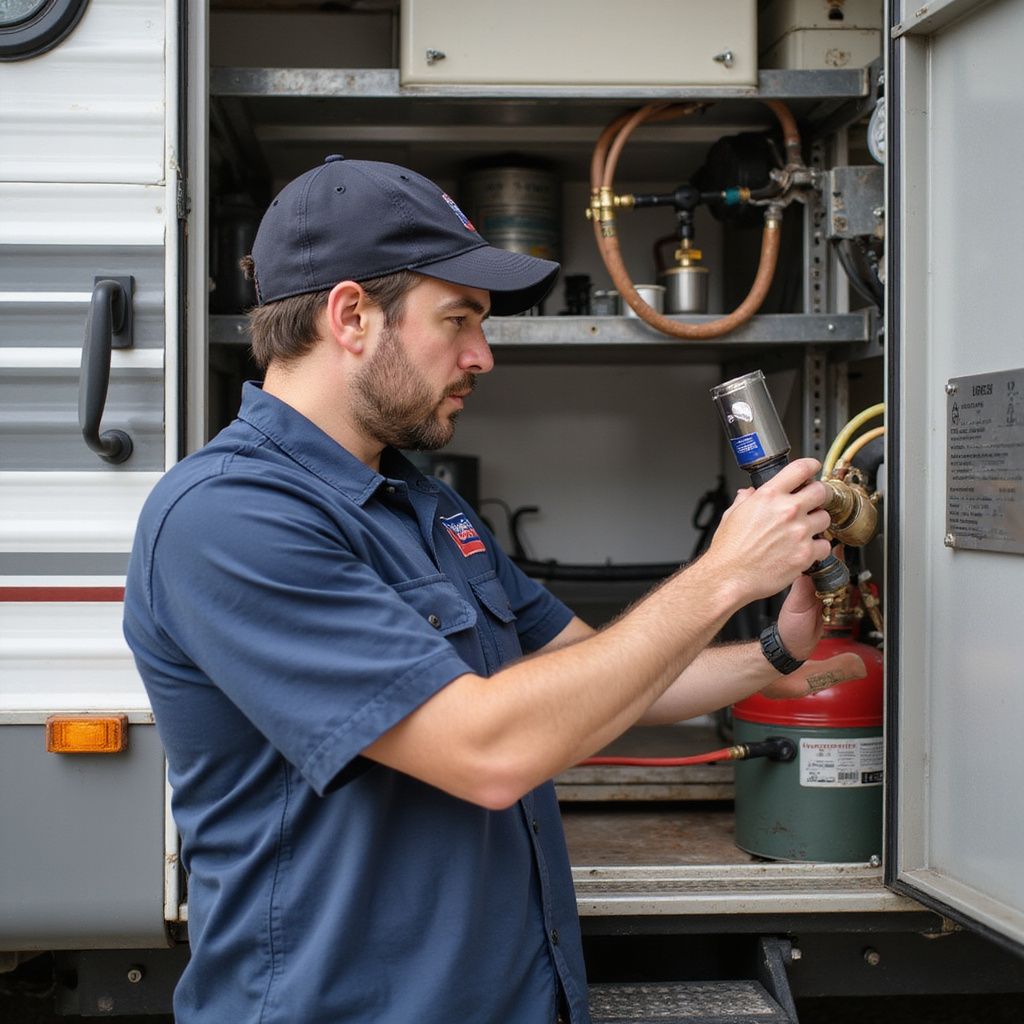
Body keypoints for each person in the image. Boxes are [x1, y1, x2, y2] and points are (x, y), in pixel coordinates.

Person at [123, 156, 865, 1024]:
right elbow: (488, 752)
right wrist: (723, 575)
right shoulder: (229, 519)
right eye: (459, 319)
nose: (482, 354)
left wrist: (774, 651)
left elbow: (595, 669)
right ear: (351, 315)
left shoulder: (422, 504)